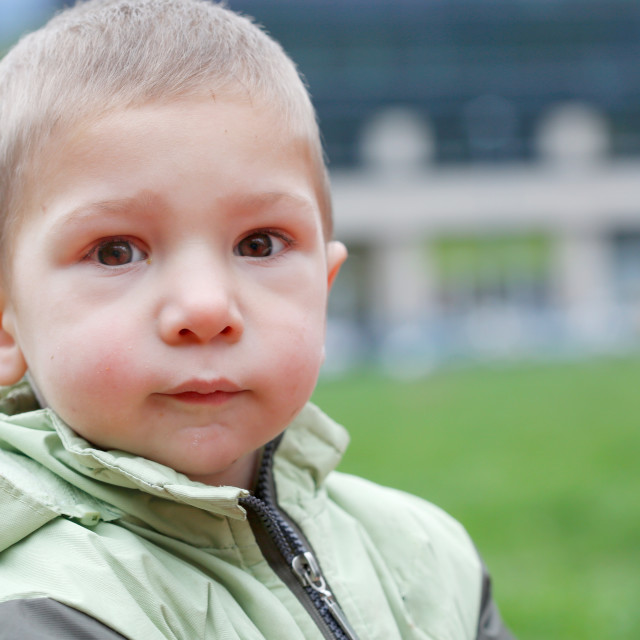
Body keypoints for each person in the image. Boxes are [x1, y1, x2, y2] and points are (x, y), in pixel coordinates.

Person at [0, 1, 514, 638]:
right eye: (116, 251)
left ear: (323, 291)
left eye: (259, 244)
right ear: (5, 324)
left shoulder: (430, 558)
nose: (206, 308)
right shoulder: (46, 604)